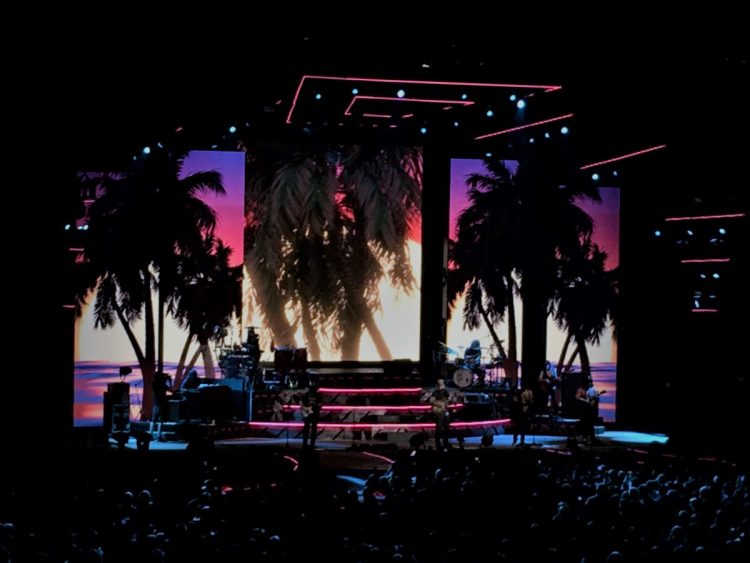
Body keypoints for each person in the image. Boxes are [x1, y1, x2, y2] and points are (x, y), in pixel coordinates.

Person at [429, 378, 451, 452]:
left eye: (442, 382)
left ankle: (446, 443)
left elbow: (448, 400)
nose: (441, 384)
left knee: (446, 427)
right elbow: (431, 401)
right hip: (439, 411)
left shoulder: (446, 391)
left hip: (445, 411)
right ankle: (438, 444)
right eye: (439, 382)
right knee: (439, 427)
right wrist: (440, 403)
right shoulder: (435, 392)